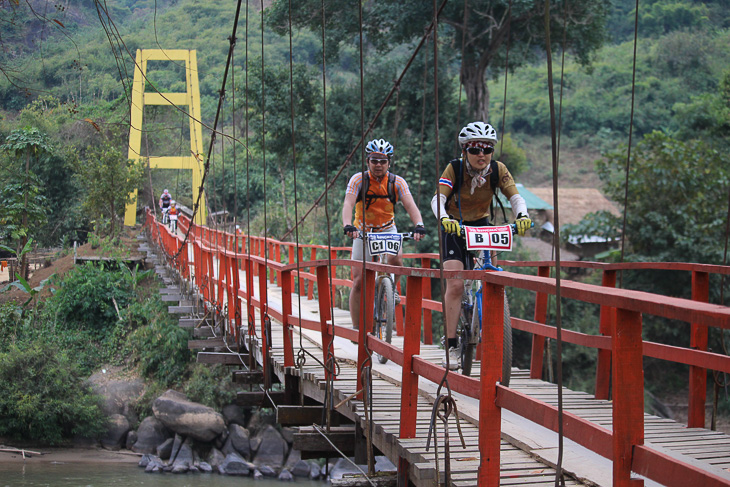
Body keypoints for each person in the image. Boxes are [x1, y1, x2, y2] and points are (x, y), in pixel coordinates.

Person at [431, 122, 532, 369]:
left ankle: (496, 339)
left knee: (492, 280)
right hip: (455, 226)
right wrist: (444, 218)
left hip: (483, 226)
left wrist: (522, 216)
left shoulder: (498, 170)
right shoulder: (454, 168)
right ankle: (452, 344)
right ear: (465, 150)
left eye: (487, 149)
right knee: (455, 284)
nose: (481, 155)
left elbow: (515, 196)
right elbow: (438, 198)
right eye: (475, 149)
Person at [342, 138, 426, 331]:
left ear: (389, 162)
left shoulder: (397, 182)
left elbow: (410, 204)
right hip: (363, 231)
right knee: (359, 281)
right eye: (374, 160)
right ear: (367, 161)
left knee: (396, 260)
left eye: (383, 161)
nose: (378, 165)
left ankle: (392, 289)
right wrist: (348, 225)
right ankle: (357, 327)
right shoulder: (358, 180)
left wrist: (419, 225)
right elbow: (348, 203)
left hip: (387, 229)